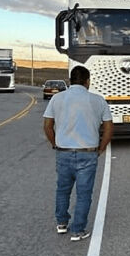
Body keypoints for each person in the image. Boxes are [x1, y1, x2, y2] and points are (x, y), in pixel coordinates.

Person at [43, 64, 114, 241]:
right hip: (88, 153)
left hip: (63, 152)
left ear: (70, 81)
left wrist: (55, 144)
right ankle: (78, 230)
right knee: (84, 194)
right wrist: (101, 148)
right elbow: (109, 127)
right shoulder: (98, 100)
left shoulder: (56, 99)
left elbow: (47, 125)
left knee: (63, 190)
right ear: (87, 81)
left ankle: (61, 223)